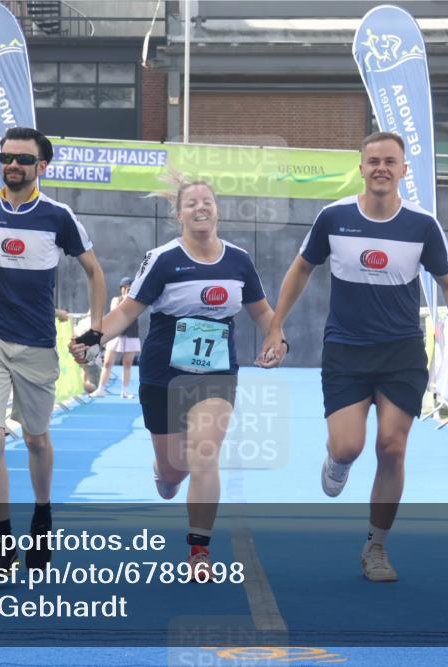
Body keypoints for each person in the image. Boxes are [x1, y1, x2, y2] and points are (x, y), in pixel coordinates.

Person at [260, 131, 448, 583]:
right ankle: (336, 461)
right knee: (349, 446)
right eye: (373, 160)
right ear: (360, 167)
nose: (381, 167)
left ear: (403, 170)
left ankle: (376, 546)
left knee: (392, 448)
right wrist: (276, 325)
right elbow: (301, 268)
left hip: (401, 353)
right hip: (346, 352)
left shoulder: (421, 225)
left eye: (390, 161)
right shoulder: (333, 217)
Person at [71, 175, 284, 580]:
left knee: (205, 452)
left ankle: (199, 550)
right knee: (173, 473)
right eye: (191, 204)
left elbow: (261, 311)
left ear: (217, 209)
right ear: (178, 214)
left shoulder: (238, 260)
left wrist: (278, 339)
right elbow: (130, 310)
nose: (200, 208)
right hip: (163, 373)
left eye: (207, 201)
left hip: (217, 372)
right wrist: (94, 336)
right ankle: (163, 473)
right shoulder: (163, 258)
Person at [0, 127, 106, 575]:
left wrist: (95, 332)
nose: (12, 165)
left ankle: (43, 515)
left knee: (35, 439)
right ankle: (2, 541)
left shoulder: (58, 215)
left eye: (23, 160)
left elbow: (94, 272)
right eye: (6, 157)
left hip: (36, 344)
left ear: (42, 168)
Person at [92, 276, 142, 398]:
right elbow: (116, 312)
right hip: (116, 335)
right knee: (108, 363)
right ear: (122, 289)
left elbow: (135, 314)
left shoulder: (137, 300)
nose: (128, 290)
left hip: (131, 335)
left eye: (130, 288)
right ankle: (101, 389)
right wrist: (125, 300)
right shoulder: (116, 299)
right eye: (126, 288)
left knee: (127, 363)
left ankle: (125, 390)